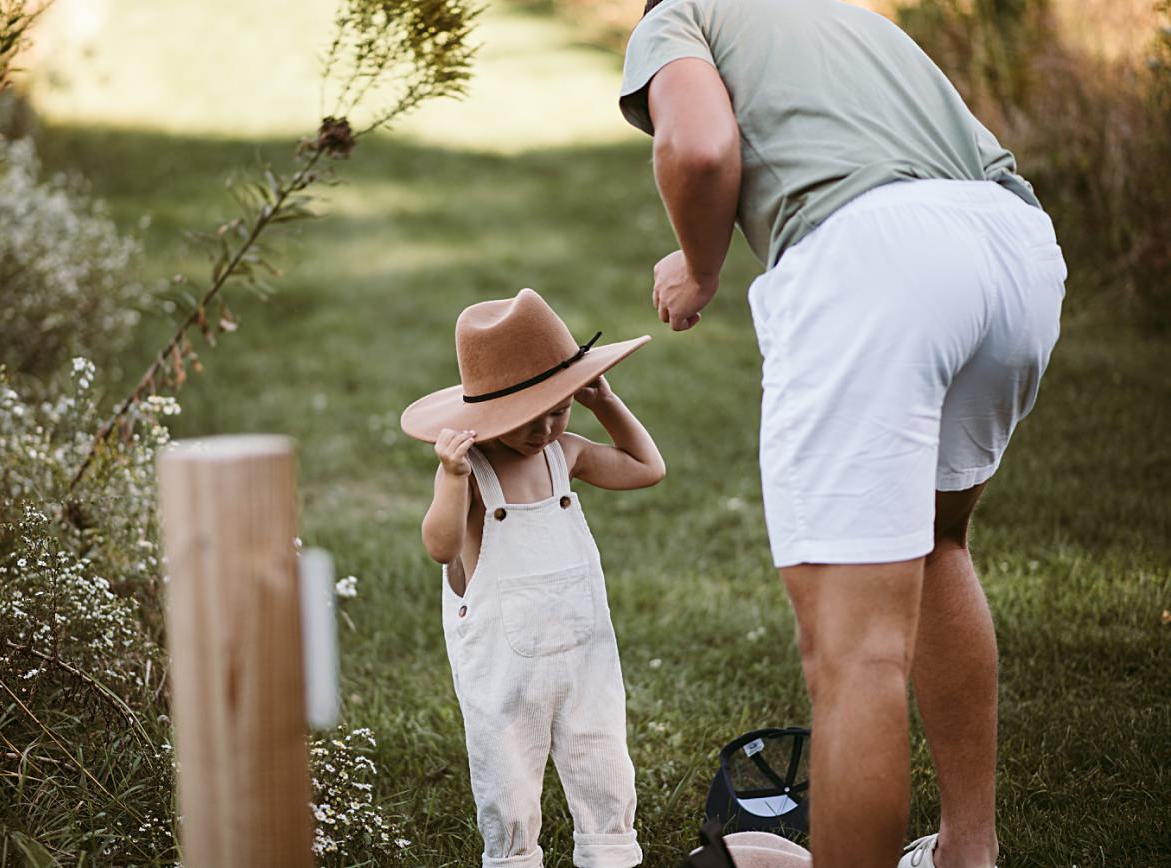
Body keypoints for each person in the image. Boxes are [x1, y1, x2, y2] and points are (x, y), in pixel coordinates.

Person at [616, 1, 1067, 867]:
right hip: (1015, 248)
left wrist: (701, 268)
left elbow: (700, 147)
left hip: (874, 259)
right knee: (937, 543)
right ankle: (967, 850)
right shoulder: (831, 10)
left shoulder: (678, 14)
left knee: (853, 652)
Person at [400, 287, 665, 868]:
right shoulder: (474, 476)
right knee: (508, 774)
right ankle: (516, 857)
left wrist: (606, 405)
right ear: (485, 416)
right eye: (528, 416)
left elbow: (648, 468)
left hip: (583, 652)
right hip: (504, 665)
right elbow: (439, 547)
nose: (546, 427)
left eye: (559, 407)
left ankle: (609, 852)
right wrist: (449, 478)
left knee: (601, 756)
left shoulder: (563, 455)